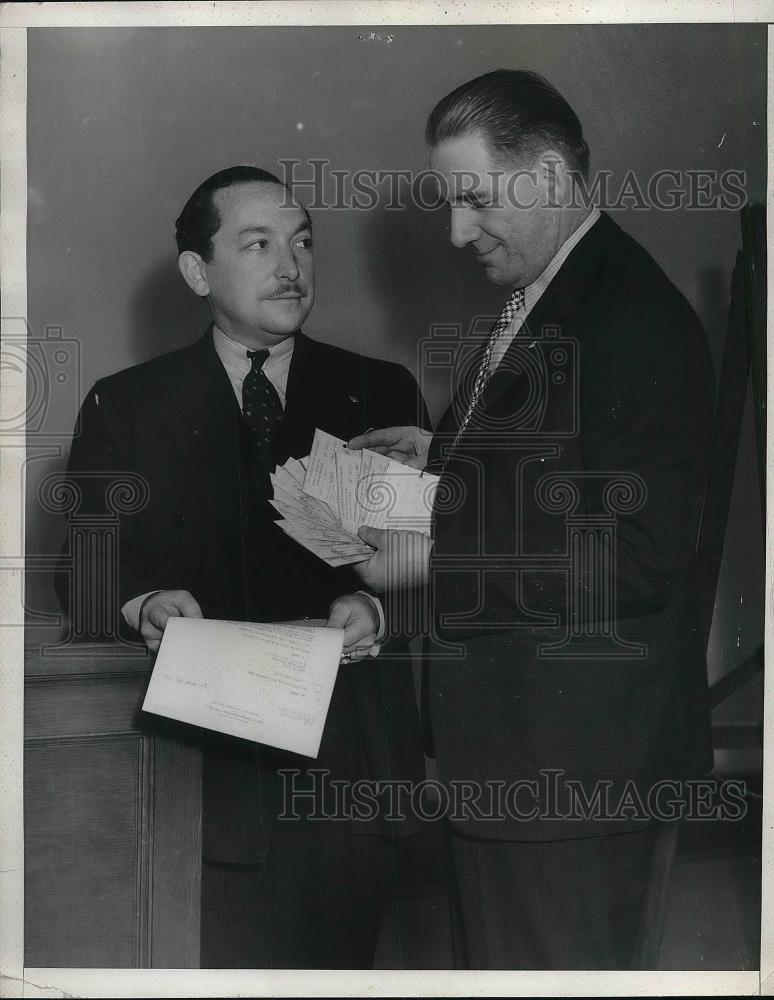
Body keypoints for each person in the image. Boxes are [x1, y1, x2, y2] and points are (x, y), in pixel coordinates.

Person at [329, 70, 715, 969]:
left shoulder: (633, 315)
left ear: (546, 173)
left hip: (571, 779)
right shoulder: (552, 294)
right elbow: (560, 488)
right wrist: (441, 458)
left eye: (473, 200)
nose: (458, 233)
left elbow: (640, 551)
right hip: (520, 773)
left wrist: (430, 557)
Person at [57, 165, 429, 968]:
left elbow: (434, 571)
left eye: (301, 242)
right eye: (257, 244)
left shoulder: (380, 390)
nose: (290, 265)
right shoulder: (124, 404)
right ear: (198, 271)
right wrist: (146, 603)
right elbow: (83, 574)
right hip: (199, 776)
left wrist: (382, 611)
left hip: (351, 779)